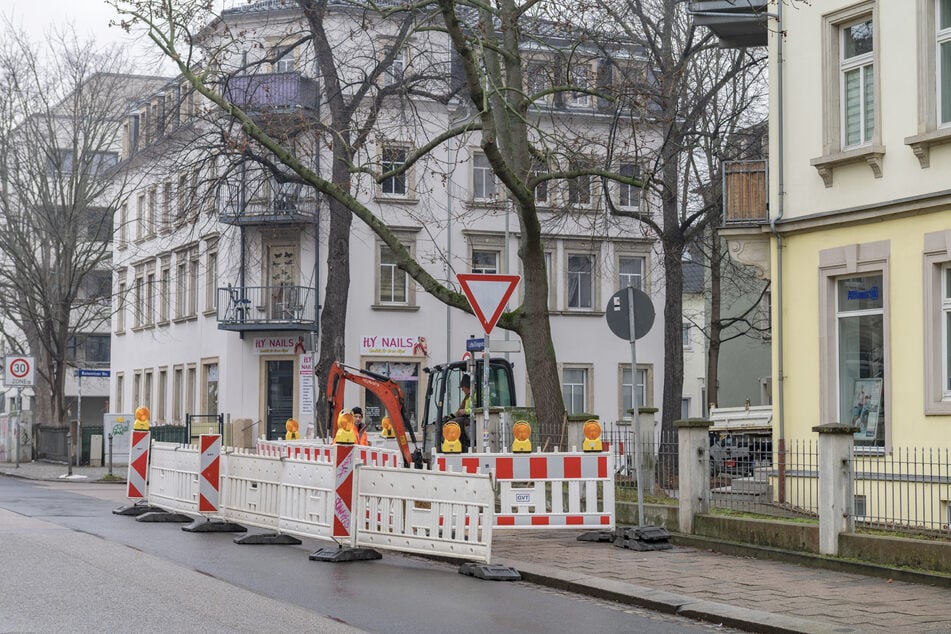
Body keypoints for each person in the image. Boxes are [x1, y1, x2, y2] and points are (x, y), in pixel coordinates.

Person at [448, 375, 472, 452]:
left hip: (472, 420)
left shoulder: (475, 395)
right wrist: (450, 416)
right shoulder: (467, 397)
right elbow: (460, 410)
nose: (462, 389)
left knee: (455, 423)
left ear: (467, 386)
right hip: (467, 419)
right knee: (449, 421)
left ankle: (460, 446)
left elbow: (479, 409)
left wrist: (465, 411)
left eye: (463, 387)